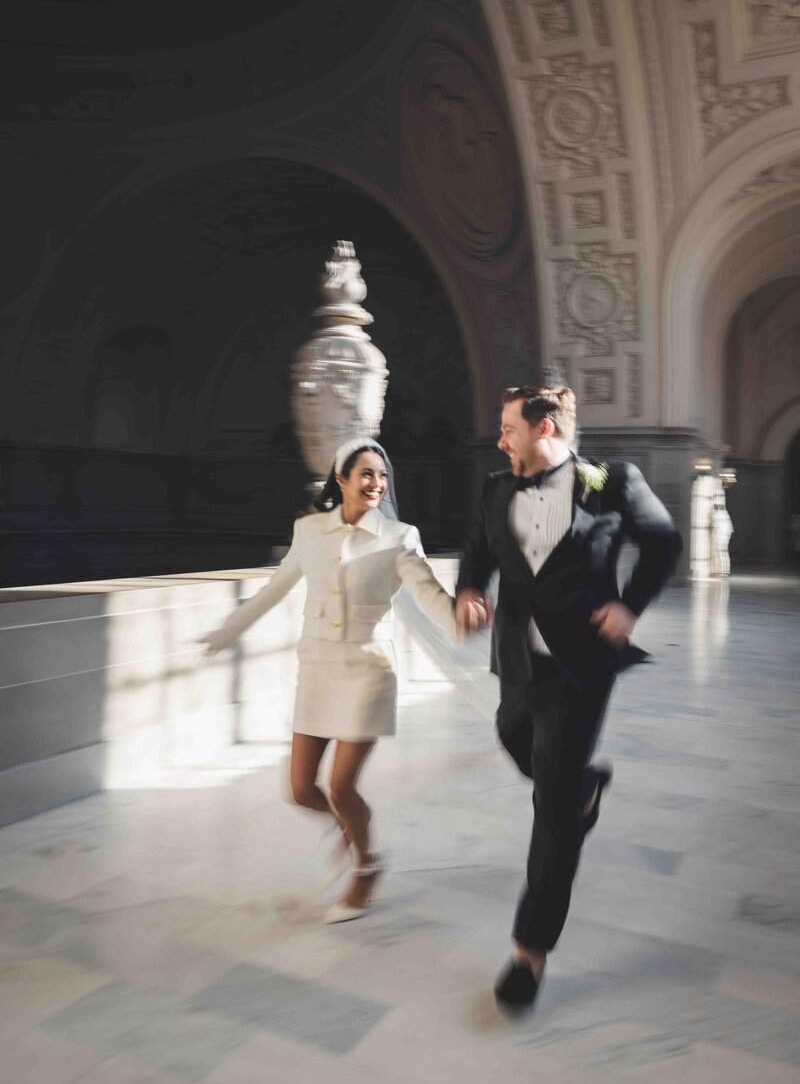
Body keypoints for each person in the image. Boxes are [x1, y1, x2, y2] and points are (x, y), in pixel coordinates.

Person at [456, 384, 681, 1012]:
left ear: (546, 426)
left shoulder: (612, 482)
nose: (500, 440)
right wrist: (468, 590)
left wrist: (629, 604)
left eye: (508, 429)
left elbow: (664, 542)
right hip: (518, 663)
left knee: (550, 803)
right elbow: (476, 553)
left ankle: (529, 953)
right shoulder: (496, 488)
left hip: (580, 665)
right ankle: (584, 787)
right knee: (514, 739)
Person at [199, 437, 469, 923]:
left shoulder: (398, 535)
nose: (376, 484)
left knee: (342, 786)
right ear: (341, 479)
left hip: (368, 672)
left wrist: (462, 619)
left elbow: (429, 595)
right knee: (301, 789)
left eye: (382, 476)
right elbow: (272, 590)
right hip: (318, 670)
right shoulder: (308, 530)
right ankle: (348, 831)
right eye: (366, 474)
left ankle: (367, 866)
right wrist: (225, 633)